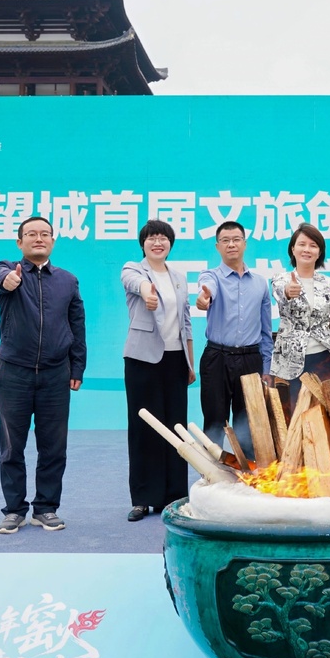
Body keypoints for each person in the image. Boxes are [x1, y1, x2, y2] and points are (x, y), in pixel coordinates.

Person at [0, 216, 86, 534]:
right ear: (20, 242)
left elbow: (77, 325)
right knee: (11, 447)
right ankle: (14, 510)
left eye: (45, 234)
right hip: (13, 374)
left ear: (53, 241)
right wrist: (8, 280)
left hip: (55, 375)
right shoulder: (9, 269)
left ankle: (45, 508)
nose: (39, 238)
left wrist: (77, 366)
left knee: (54, 447)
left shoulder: (68, 281)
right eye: (31, 234)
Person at [121, 220, 195, 522]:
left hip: (175, 360)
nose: (157, 243)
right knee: (143, 429)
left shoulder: (179, 277)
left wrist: (190, 362)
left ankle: (174, 495)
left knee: (176, 427)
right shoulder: (133, 269)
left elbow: (186, 321)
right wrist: (146, 293)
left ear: (170, 244)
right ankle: (142, 498)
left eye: (163, 238)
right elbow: (134, 284)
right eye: (151, 238)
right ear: (143, 244)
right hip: (142, 359)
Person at [195, 221, 274, 456]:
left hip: (251, 359)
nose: (231, 244)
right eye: (225, 240)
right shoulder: (211, 276)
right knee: (214, 421)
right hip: (217, 358)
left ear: (245, 244)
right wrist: (204, 298)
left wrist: (267, 367)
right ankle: (211, 473)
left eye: (236, 239)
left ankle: (249, 475)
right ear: (217, 246)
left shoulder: (260, 283)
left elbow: (266, 331)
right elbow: (206, 289)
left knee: (248, 423)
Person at [271, 223, 330, 408]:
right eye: (302, 244)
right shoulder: (281, 280)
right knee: (294, 414)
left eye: (313, 245)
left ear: (319, 252)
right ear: (293, 249)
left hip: (323, 358)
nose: (307, 249)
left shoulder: (329, 284)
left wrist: (325, 340)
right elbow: (282, 294)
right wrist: (289, 291)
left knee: (325, 413)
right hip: (290, 361)